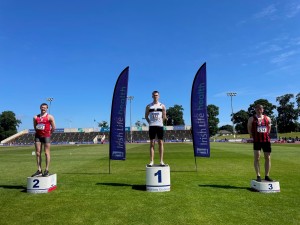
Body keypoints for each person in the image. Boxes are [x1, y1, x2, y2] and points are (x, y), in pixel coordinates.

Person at [247, 104, 273, 182]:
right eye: (257, 108)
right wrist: (251, 135)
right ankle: (258, 175)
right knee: (257, 157)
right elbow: (249, 127)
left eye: (260, 108)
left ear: (263, 110)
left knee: (267, 157)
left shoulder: (267, 118)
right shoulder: (252, 119)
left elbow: (269, 127)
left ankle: (267, 175)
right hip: (257, 140)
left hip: (266, 141)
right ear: (255, 109)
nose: (259, 110)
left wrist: (267, 133)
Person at [31, 103, 56, 177]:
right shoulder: (35, 117)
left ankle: (47, 169)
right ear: (40, 108)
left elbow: (54, 127)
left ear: (47, 108)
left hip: (46, 136)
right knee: (38, 153)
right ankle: (39, 170)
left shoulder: (50, 117)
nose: (43, 108)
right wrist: (38, 131)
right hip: (38, 136)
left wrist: (49, 133)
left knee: (46, 153)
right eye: (42, 107)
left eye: (45, 107)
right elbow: (35, 127)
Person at [145, 91, 167, 166]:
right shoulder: (149, 106)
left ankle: (161, 161)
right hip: (152, 126)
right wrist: (150, 122)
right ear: (152, 96)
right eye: (154, 95)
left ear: (159, 96)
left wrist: (161, 122)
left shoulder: (162, 106)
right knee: (152, 143)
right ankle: (151, 161)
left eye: (157, 95)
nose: (155, 96)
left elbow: (164, 116)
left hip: (160, 126)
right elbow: (146, 116)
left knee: (160, 142)